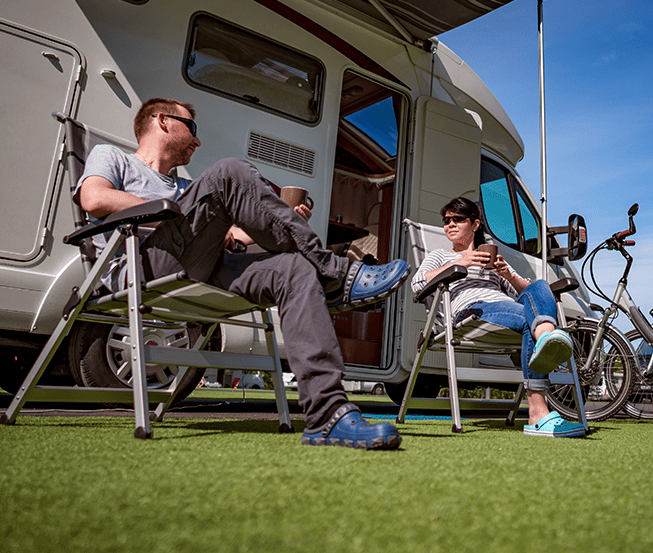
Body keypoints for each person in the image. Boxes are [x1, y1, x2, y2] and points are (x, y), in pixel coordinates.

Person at [75, 98, 410, 449]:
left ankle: (328, 416)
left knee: (293, 270)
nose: (197, 140)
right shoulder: (113, 157)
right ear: (161, 120)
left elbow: (235, 238)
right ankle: (338, 276)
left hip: (198, 268)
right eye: (192, 128)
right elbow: (94, 199)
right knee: (228, 171)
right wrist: (174, 212)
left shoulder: (186, 190)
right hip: (140, 266)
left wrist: (288, 219)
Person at [410, 197, 585, 437]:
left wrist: (507, 275)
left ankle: (544, 336)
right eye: (446, 220)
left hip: (507, 308)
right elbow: (417, 284)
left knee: (540, 286)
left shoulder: (492, 257)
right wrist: (460, 263)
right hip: (473, 311)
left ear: (475, 224)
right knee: (530, 321)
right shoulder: (440, 256)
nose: (450, 224)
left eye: (457, 219)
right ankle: (538, 409)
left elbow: (528, 294)